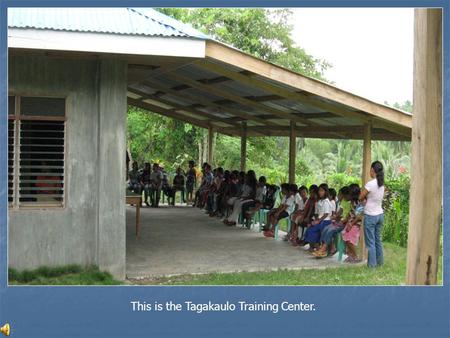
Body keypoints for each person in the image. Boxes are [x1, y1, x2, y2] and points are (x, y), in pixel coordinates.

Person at [313, 186, 353, 258]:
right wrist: (333, 217)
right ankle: (324, 248)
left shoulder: (351, 203)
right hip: (340, 222)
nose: (341, 197)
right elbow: (339, 212)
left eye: (342, 195)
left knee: (330, 230)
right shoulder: (344, 201)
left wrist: (342, 221)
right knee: (326, 228)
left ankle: (323, 249)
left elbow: (349, 216)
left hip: (345, 223)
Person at [360, 161, 386, 268]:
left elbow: (360, 197)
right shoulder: (382, 184)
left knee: (370, 242)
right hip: (380, 215)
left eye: (370, 170)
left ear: (372, 170)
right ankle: (380, 263)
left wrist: (365, 198)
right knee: (377, 240)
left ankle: (372, 265)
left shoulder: (370, 184)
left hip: (370, 216)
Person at [301, 183, 333, 251]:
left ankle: (319, 248)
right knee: (310, 229)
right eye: (319, 190)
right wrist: (315, 220)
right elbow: (317, 213)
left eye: (322, 191)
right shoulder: (319, 201)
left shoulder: (326, 201)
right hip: (320, 220)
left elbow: (326, 214)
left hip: (326, 221)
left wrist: (318, 221)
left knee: (316, 229)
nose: (320, 192)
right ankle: (314, 247)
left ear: (326, 192)